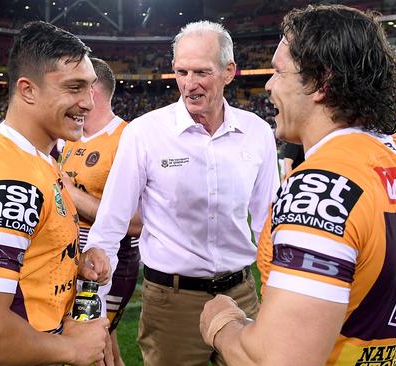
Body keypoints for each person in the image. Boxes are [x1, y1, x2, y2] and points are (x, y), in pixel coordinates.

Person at [199, 5, 396, 365]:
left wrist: (222, 323)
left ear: (321, 82)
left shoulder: (320, 188)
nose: (268, 85)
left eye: (279, 72)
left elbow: (281, 361)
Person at [84, 20, 279, 366]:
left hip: (242, 295)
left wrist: (280, 296)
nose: (190, 85)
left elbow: (268, 223)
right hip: (171, 305)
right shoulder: (145, 133)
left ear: (229, 71)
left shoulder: (257, 132)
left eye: (202, 72)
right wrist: (95, 304)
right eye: (181, 72)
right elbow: (111, 223)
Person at [0, 21, 112, 366]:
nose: (89, 103)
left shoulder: (38, 159)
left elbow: (27, 256)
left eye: (91, 88)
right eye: (75, 87)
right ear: (28, 90)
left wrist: (71, 263)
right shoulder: (9, 177)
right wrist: (73, 350)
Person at [60, 58, 142, 366]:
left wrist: (69, 191)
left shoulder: (127, 138)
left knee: (87, 348)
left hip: (110, 265)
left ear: (91, 90)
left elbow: (136, 223)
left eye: (73, 86)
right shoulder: (70, 139)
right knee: (105, 348)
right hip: (75, 262)